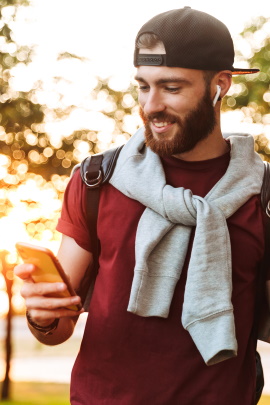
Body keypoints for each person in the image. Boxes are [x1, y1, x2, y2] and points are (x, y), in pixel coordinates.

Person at [14, 7, 268, 405]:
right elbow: (57, 327)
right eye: (143, 87)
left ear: (221, 85)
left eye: (171, 87)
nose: (151, 106)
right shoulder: (96, 180)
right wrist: (42, 314)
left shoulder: (263, 195)